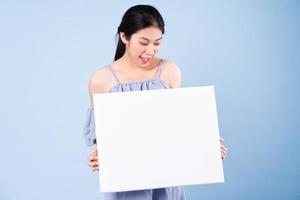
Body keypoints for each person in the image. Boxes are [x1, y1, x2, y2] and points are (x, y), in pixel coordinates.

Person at [84, 4, 228, 200]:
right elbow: (103, 141)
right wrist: (99, 157)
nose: (150, 50)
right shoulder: (101, 80)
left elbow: (179, 126)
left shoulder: (169, 71)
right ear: (124, 37)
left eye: (157, 43)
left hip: (167, 179)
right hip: (127, 182)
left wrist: (207, 147)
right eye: (143, 42)